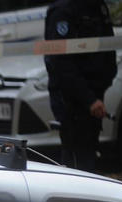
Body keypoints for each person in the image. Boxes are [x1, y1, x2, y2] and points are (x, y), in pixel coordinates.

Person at [44, 0, 117, 171]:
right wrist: (89, 99)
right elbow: (61, 64)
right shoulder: (63, 12)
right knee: (76, 161)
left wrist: (103, 84)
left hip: (94, 94)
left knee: (88, 154)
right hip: (71, 100)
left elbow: (108, 47)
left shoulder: (96, 7)